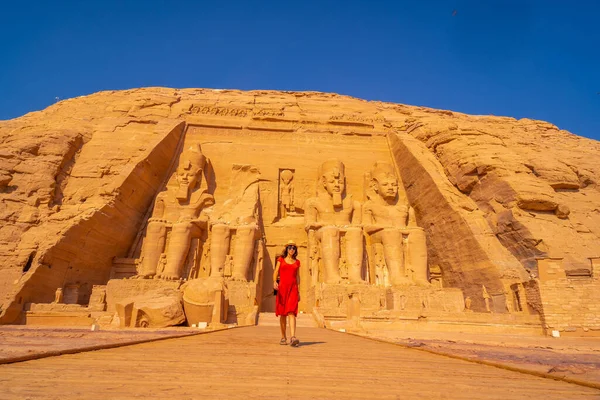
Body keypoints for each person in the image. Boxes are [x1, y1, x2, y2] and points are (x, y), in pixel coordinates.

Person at [273, 240, 301, 346]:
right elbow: (276, 272)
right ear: (286, 249)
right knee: (283, 314)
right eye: (290, 247)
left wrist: (298, 291)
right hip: (282, 289)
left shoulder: (297, 262)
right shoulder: (281, 260)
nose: (292, 249)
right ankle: (283, 337)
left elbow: (298, 277)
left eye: (294, 248)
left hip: (293, 289)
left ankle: (293, 337)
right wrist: (275, 281)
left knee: (291, 312)